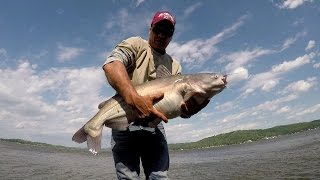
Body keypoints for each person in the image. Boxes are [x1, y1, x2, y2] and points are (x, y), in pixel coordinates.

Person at [102, 11, 209, 180]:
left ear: (171, 36)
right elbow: (112, 65)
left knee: (159, 177)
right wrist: (134, 100)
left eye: (167, 32)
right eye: (158, 29)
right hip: (125, 121)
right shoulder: (136, 44)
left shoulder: (174, 66)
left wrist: (189, 110)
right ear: (150, 29)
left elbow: (180, 108)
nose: (161, 35)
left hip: (155, 126)